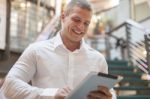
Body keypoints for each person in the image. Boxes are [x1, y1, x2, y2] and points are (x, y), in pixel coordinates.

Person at [1, 0, 116, 99]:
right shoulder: (36, 50)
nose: (81, 27)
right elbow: (9, 85)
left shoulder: (98, 59)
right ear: (63, 17)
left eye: (86, 23)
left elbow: (110, 92)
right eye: (76, 20)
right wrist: (51, 94)